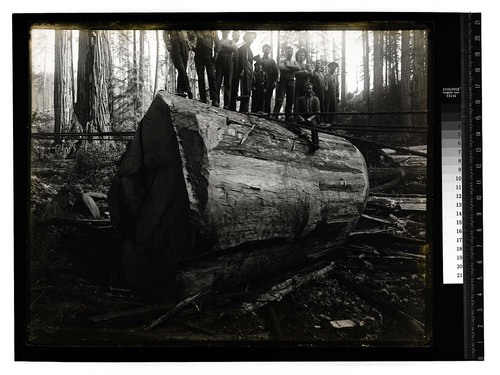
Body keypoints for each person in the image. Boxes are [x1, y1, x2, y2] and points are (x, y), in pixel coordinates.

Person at [189, 30, 220, 107]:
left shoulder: (212, 31)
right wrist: (192, 47)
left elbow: (217, 42)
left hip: (208, 55)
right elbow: (189, 37)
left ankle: (215, 100)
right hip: (198, 55)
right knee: (200, 77)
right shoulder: (196, 31)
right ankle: (203, 98)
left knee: (212, 76)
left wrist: (216, 54)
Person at [273, 46, 300, 121]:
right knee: (280, 99)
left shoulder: (294, 61)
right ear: (285, 52)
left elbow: (298, 68)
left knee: (290, 99)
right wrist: (292, 69)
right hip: (283, 81)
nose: (290, 53)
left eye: (291, 51)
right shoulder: (282, 60)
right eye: (288, 51)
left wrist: (288, 66)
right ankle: (275, 115)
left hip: (291, 81)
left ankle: (288, 116)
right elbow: (281, 68)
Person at [163, 30, 193, 99]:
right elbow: (165, 32)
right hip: (175, 45)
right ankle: (188, 90)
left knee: (182, 70)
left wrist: (190, 44)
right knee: (181, 68)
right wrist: (168, 44)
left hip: (185, 46)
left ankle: (180, 91)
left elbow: (193, 35)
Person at [295, 82, 321, 152]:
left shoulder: (316, 99)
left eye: (310, 89)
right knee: (290, 121)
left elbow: (317, 112)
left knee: (314, 126)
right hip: (302, 116)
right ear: (305, 90)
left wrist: (310, 118)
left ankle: (315, 144)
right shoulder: (300, 99)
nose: (308, 90)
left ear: (312, 90)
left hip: (311, 117)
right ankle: (301, 132)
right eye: (307, 89)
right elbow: (296, 112)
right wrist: (301, 118)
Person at [215, 30, 238, 109]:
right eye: (224, 31)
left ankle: (226, 104)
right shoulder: (218, 41)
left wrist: (223, 46)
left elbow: (234, 48)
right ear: (222, 32)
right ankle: (216, 101)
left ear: (228, 32)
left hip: (229, 61)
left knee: (228, 83)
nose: (225, 32)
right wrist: (227, 48)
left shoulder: (232, 41)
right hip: (220, 62)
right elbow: (217, 50)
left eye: (227, 31)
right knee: (218, 82)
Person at [237, 31, 256, 113]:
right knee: (244, 89)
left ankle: (245, 109)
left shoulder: (250, 50)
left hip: (249, 71)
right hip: (244, 70)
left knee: (248, 90)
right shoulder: (243, 48)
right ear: (246, 38)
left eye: (252, 38)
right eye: (250, 37)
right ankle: (243, 109)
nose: (251, 39)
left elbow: (251, 62)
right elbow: (241, 60)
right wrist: (242, 70)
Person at [260, 44, 278, 114]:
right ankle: (260, 113)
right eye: (265, 49)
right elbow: (257, 71)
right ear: (262, 50)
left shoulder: (272, 61)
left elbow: (276, 72)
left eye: (268, 49)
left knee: (268, 98)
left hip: (270, 83)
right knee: (261, 98)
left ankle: (267, 114)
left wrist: (274, 82)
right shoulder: (260, 60)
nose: (267, 50)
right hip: (261, 83)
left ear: (270, 51)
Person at [228, 31, 241, 111]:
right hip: (229, 68)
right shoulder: (229, 43)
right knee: (229, 86)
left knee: (235, 88)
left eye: (239, 36)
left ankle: (233, 107)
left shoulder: (238, 48)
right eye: (236, 36)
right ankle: (228, 105)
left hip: (236, 70)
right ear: (232, 35)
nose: (238, 37)